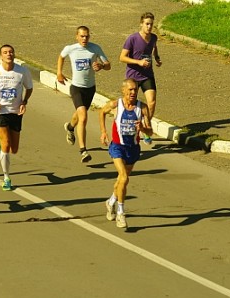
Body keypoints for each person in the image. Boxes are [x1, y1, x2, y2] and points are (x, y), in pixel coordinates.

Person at [99, 78, 152, 228]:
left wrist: (142, 128)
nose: (133, 93)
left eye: (135, 89)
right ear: (123, 91)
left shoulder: (142, 108)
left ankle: (110, 202)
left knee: (122, 181)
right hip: (117, 147)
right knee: (123, 177)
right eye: (130, 90)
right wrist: (103, 131)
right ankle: (121, 212)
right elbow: (101, 112)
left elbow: (150, 132)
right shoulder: (116, 105)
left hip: (133, 149)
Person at [57, 25, 111, 163]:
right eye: (82, 36)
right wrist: (59, 73)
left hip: (90, 88)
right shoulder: (71, 48)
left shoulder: (95, 48)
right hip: (77, 88)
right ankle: (83, 151)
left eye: (87, 36)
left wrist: (101, 66)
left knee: (79, 115)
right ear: (77, 36)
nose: (84, 39)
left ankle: (69, 127)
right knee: (83, 116)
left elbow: (108, 65)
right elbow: (61, 56)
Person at [0, 44, 33, 191]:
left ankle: (2, 148)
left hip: (15, 111)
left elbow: (29, 88)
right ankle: (6, 177)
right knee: (5, 143)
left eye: (11, 52)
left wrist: (24, 102)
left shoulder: (22, 71)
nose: (8, 54)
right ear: (0, 56)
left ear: (14, 55)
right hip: (0, 111)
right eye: (5, 52)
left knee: (14, 148)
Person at [119, 12, 162, 145]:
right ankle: (126, 128)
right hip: (133, 76)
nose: (149, 27)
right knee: (130, 104)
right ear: (141, 24)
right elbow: (122, 57)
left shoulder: (154, 37)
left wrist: (157, 58)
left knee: (152, 102)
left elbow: (154, 48)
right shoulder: (132, 39)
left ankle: (145, 127)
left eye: (151, 24)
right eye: (147, 24)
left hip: (147, 75)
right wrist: (138, 62)